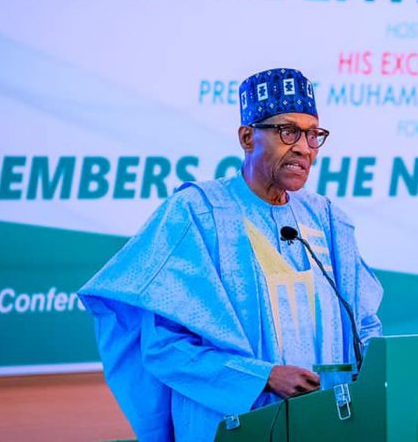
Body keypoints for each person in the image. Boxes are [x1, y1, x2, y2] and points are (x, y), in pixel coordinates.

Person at [79, 68, 383, 442]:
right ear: (247, 137)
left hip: (323, 424)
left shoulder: (327, 219)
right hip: (228, 426)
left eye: (312, 134)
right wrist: (263, 377)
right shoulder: (196, 214)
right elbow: (164, 348)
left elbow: (365, 327)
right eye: (288, 131)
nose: (304, 148)